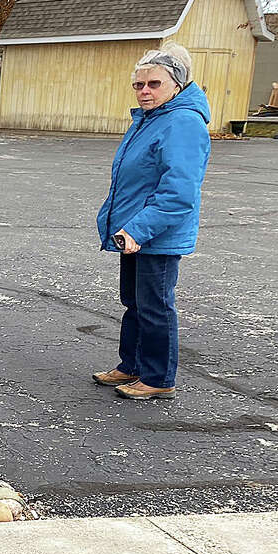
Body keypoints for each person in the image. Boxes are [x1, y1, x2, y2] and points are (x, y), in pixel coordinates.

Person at [95, 41, 211, 400]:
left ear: (176, 84)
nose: (145, 91)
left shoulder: (183, 123)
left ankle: (159, 377)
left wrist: (138, 229)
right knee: (134, 301)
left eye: (154, 84)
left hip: (155, 235)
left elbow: (178, 192)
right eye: (139, 85)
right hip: (134, 232)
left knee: (155, 305)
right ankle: (132, 365)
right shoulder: (151, 118)